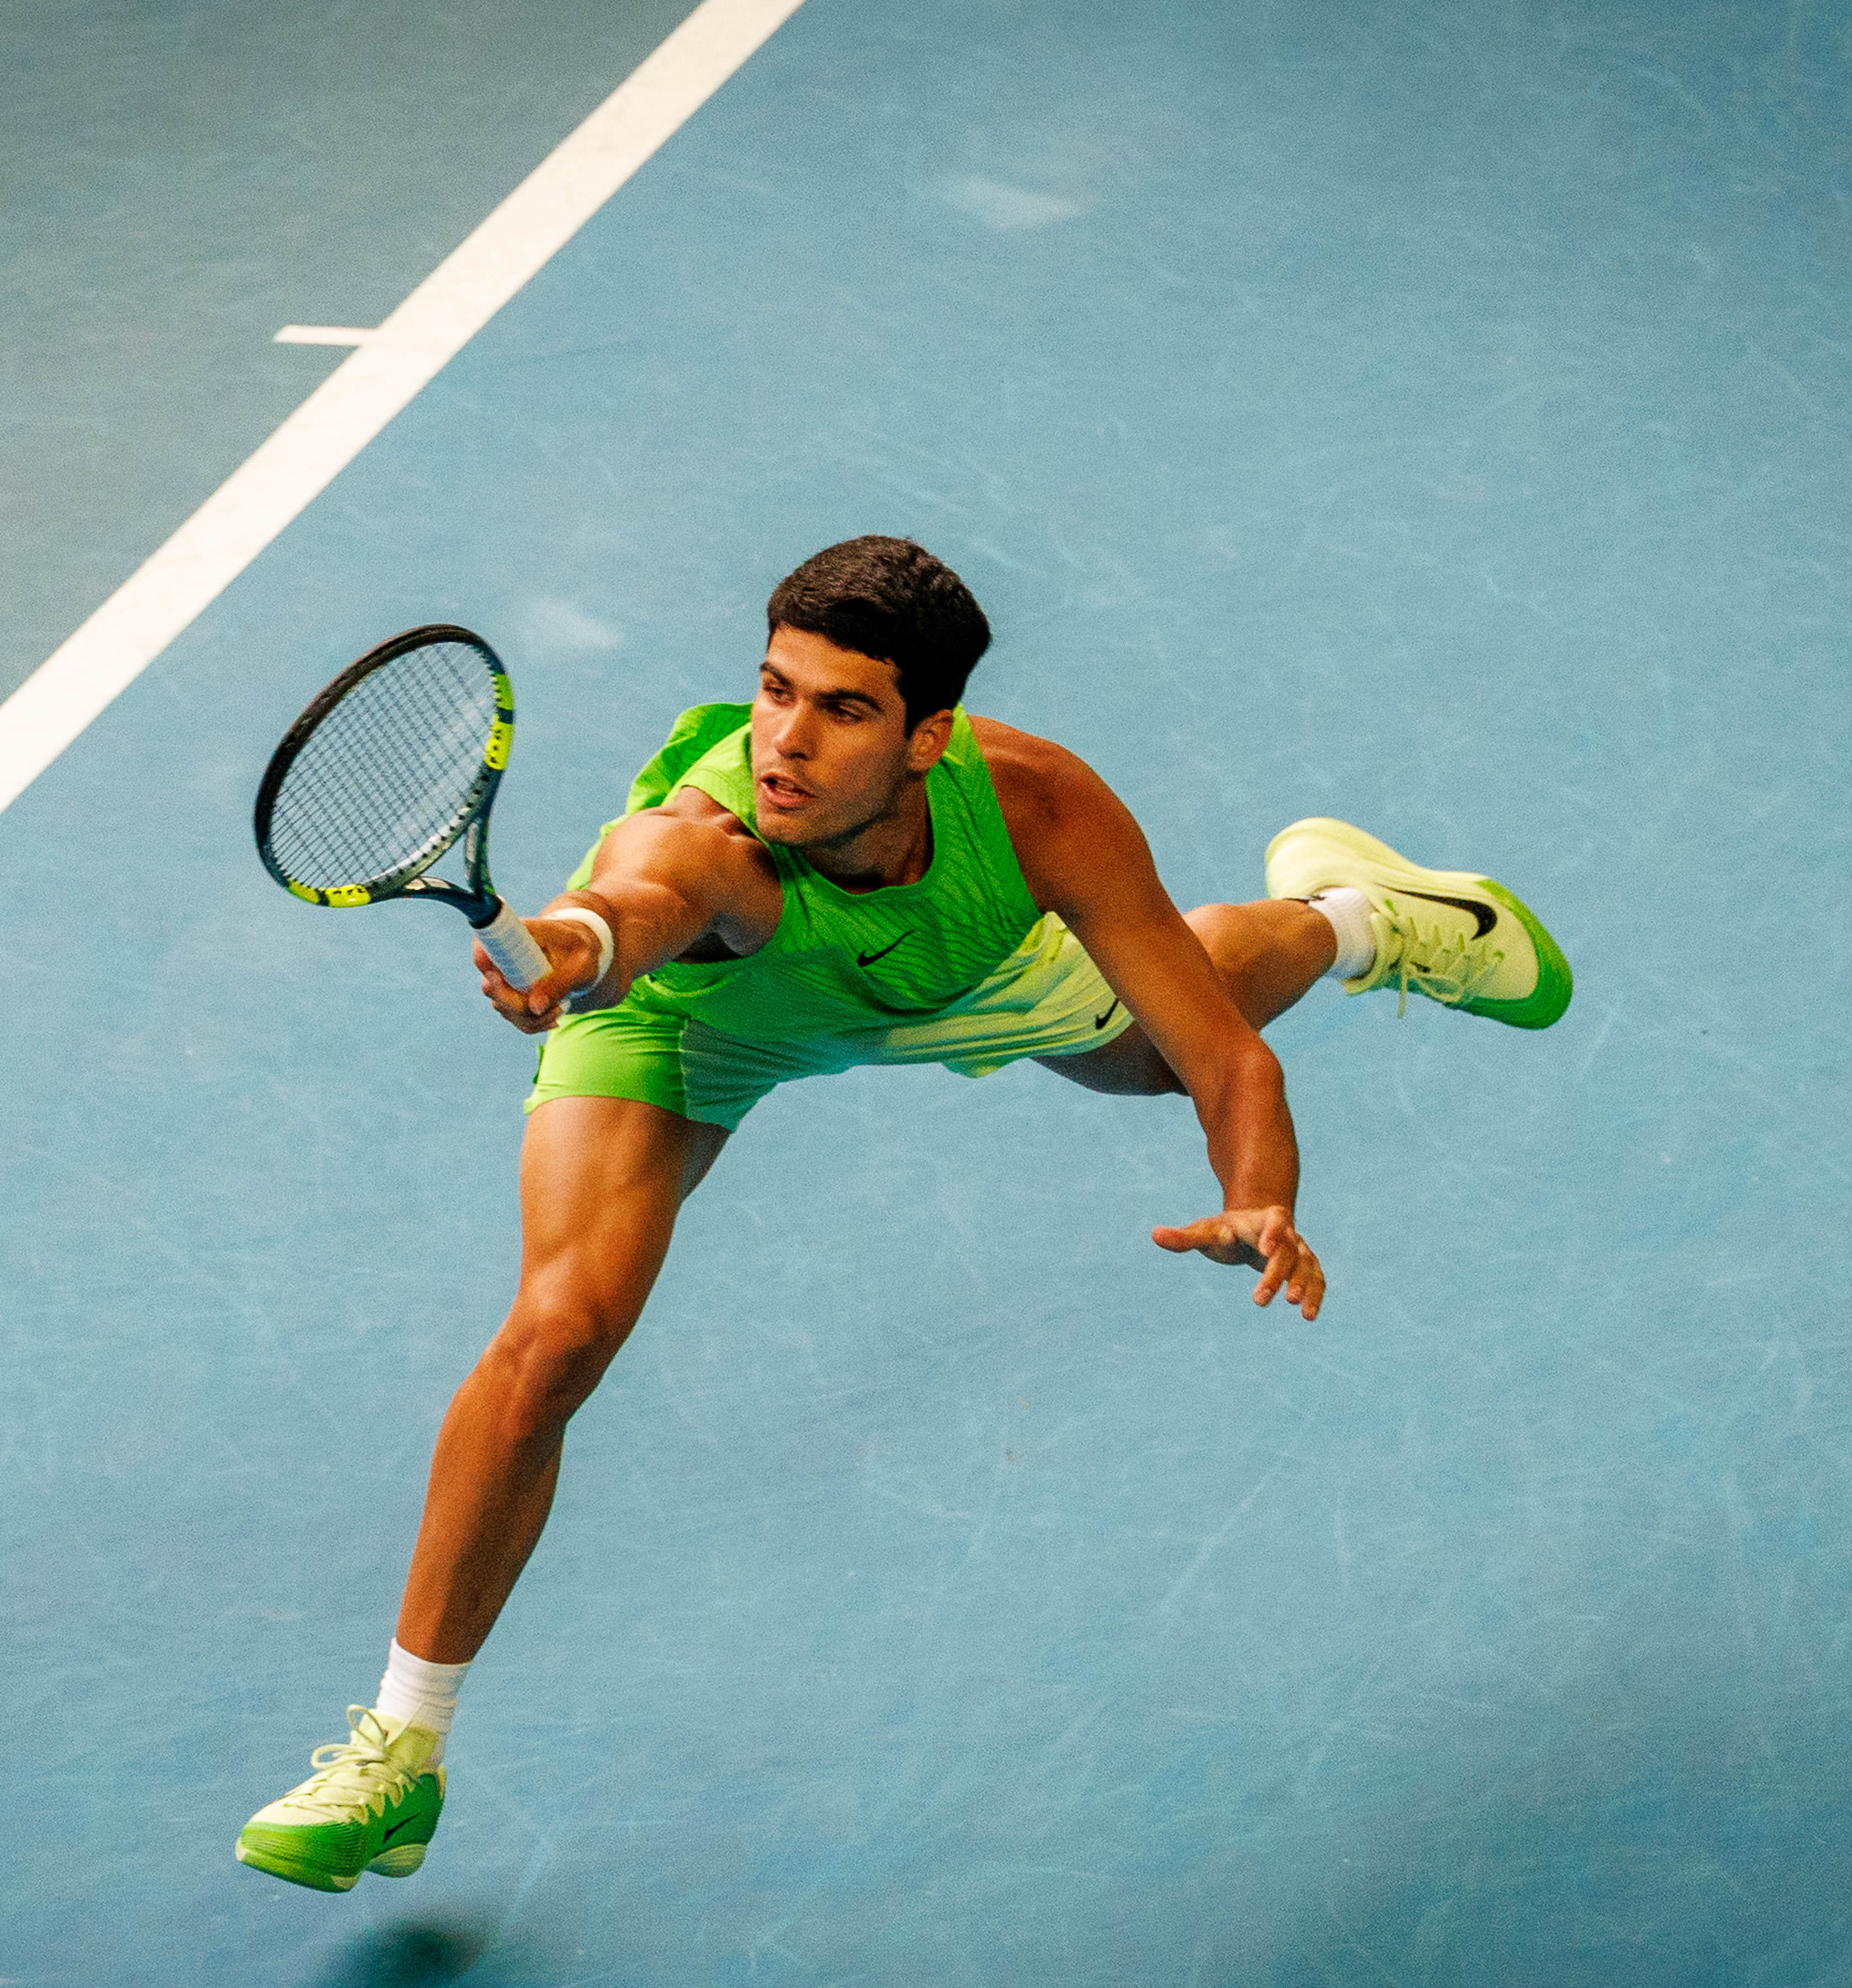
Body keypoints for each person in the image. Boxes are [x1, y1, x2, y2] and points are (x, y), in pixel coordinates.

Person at [237, 536, 1570, 1891]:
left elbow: (1233, 1061)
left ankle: (1363, 916)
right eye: (772, 690)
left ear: (932, 735)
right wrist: (576, 952)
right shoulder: (703, 841)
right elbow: (629, 903)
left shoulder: (1038, 806)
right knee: (558, 1332)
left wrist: (1260, 1201)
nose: (784, 741)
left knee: (1154, 1048)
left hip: (952, 963)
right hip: (700, 1025)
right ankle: (400, 1756)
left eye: (842, 708)